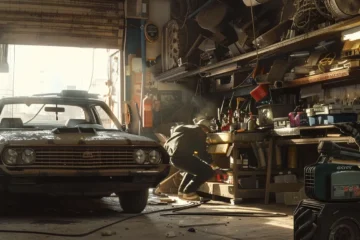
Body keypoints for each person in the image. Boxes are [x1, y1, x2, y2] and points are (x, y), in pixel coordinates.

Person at [164, 117, 218, 201]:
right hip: (182, 157)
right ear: (204, 128)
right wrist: (211, 163)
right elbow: (201, 152)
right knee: (208, 171)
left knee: (193, 170)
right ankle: (189, 192)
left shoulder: (187, 129)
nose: (207, 134)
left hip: (173, 157)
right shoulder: (199, 132)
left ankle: (182, 192)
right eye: (207, 131)